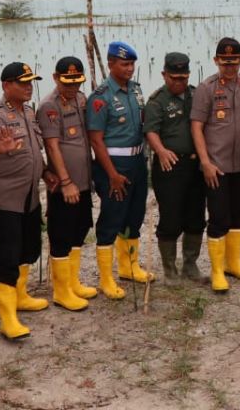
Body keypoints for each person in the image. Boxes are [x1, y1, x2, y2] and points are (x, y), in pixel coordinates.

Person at [0, 62, 54, 337]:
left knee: (29, 249)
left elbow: (35, 149)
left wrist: (46, 172)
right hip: (5, 200)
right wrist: (0, 146)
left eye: (30, 82)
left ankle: (20, 296)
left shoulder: (28, 111)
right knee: (7, 258)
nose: (28, 87)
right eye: (22, 82)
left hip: (30, 196)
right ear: (6, 85)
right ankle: (8, 318)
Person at [192, 38, 240, 291]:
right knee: (218, 217)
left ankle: (234, 263)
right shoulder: (206, 88)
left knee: (238, 215)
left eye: (233, 62)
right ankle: (217, 271)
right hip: (216, 165)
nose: (229, 67)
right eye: (224, 62)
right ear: (216, 60)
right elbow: (196, 127)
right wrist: (205, 162)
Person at [87, 42, 154, 298]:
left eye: (132, 64)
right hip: (114, 165)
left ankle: (129, 267)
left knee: (134, 216)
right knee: (111, 220)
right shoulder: (101, 96)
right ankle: (106, 278)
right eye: (124, 64)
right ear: (111, 63)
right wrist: (112, 174)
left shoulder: (135, 90)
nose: (129, 69)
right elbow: (96, 140)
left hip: (137, 162)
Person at [37, 56, 99, 309]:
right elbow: (52, 146)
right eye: (67, 82)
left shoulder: (81, 99)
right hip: (65, 184)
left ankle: (72, 282)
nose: (72, 86)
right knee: (61, 234)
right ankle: (61, 291)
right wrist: (65, 181)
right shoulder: (49, 106)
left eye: (77, 81)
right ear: (55, 78)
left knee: (80, 229)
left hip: (84, 180)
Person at [144, 53, 205, 283]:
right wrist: (160, 150)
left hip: (195, 164)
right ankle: (169, 269)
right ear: (164, 74)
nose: (179, 82)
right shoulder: (157, 100)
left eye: (183, 77)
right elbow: (151, 130)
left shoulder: (197, 94)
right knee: (170, 217)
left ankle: (190, 265)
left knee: (196, 216)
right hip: (170, 166)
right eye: (174, 78)